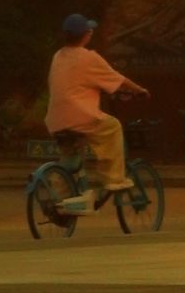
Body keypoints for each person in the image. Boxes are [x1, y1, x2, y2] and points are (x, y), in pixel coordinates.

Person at [44, 15, 147, 198]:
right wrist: (140, 90)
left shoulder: (58, 56)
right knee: (113, 126)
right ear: (87, 34)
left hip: (56, 119)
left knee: (70, 158)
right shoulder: (89, 58)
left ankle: (60, 200)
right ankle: (114, 179)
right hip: (80, 117)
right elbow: (118, 79)